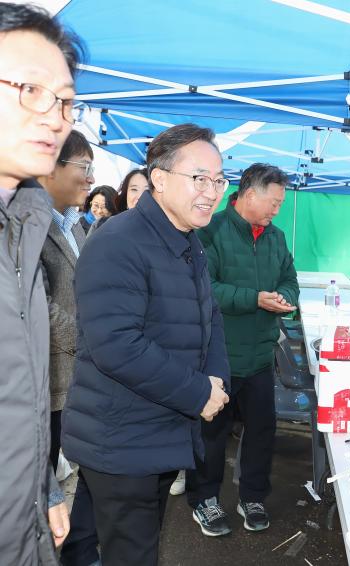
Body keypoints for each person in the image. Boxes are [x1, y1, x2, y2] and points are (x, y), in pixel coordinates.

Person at [62, 123, 231, 566]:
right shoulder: (118, 241)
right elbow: (116, 345)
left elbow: (208, 316)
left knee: (92, 543)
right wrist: (198, 393)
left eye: (219, 180)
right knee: (129, 552)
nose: (211, 191)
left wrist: (217, 382)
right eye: (199, 178)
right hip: (120, 440)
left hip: (159, 431)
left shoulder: (190, 243)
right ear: (159, 179)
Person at [0, 3, 84, 564]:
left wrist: (43, 490)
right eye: (30, 89)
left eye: (66, 100)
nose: (55, 117)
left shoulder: (22, 228)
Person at [188, 162, 298, 535]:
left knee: (262, 430)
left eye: (281, 205)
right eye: (274, 202)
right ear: (249, 194)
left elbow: (289, 278)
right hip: (218, 356)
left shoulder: (276, 238)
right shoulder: (211, 231)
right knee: (212, 434)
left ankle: (252, 496)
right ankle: (205, 500)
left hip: (260, 356)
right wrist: (254, 299)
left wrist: (284, 297)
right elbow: (206, 289)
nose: (276, 210)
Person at [36, 129, 92, 472]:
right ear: (51, 168)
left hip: (72, 374)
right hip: (48, 374)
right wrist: (88, 339)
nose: (91, 178)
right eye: (84, 166)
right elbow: (37, 302)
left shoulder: (75, 224)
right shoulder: (31, 223)